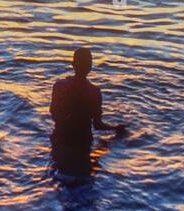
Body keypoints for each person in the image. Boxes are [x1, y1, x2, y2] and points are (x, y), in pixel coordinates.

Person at [49, 48, 127, 176]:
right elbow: (98, 125)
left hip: (60, 138)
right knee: (85, 176)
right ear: (90, 67)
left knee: (59, 173)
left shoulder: (59, 86)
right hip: (82, 142)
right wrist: (116, 129)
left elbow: (54, 114)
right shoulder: (94, 92)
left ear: (73, 64)